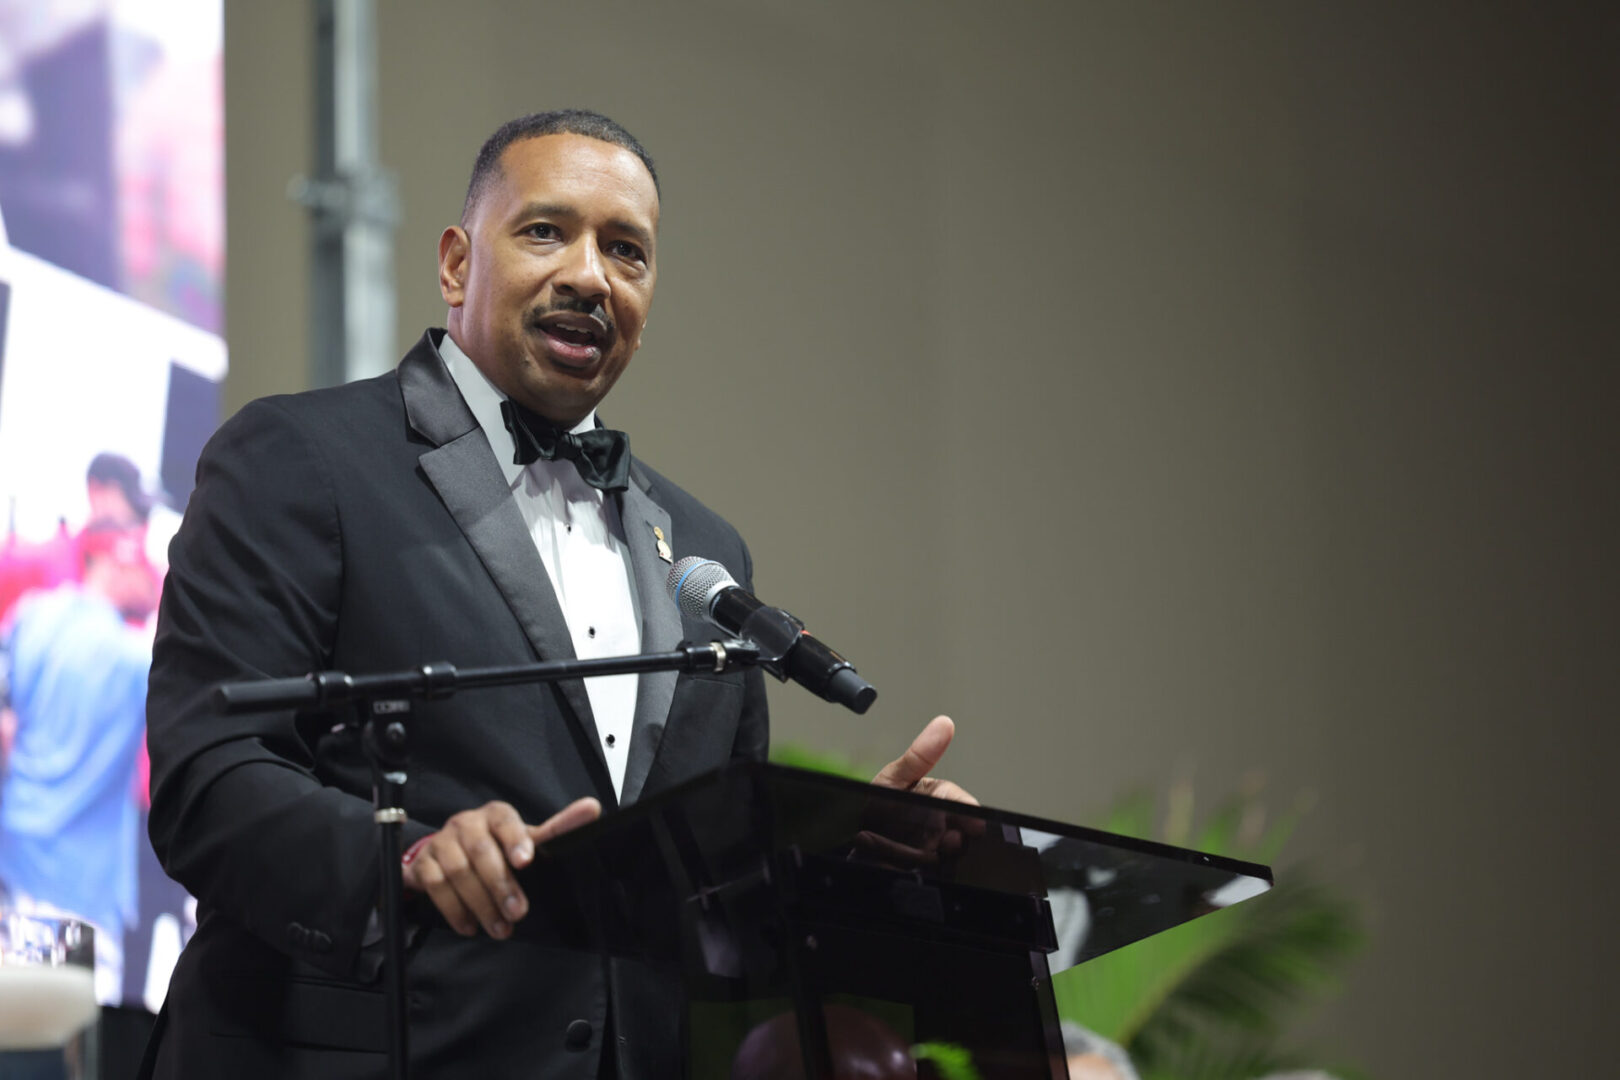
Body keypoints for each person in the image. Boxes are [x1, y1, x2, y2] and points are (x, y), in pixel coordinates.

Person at [141, 110, 967, 1079]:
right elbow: (208, 772)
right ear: (456, 264)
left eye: (627, 251)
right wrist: (407, 859)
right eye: (546, 231)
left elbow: (709, 898)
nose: (590, 275)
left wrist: (843, 866)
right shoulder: (300, 457)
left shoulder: (707, 551)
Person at [0, 519, 156, 1005]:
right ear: (114, 563)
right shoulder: (134, 659)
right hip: (76, 893)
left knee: (17, 1028)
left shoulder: (31, 617)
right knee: (66, 1033)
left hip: (15, 862)